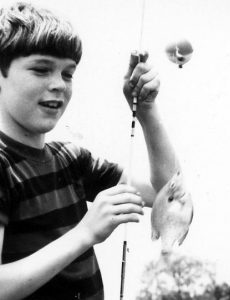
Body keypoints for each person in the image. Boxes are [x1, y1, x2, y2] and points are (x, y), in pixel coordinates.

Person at [0, 1, 180, 300]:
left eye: (68, 74)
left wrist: (146, 111)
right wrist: (84, 234)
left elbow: (170, 195)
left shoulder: (72, 160)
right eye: (41, 69)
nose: (58, 84)